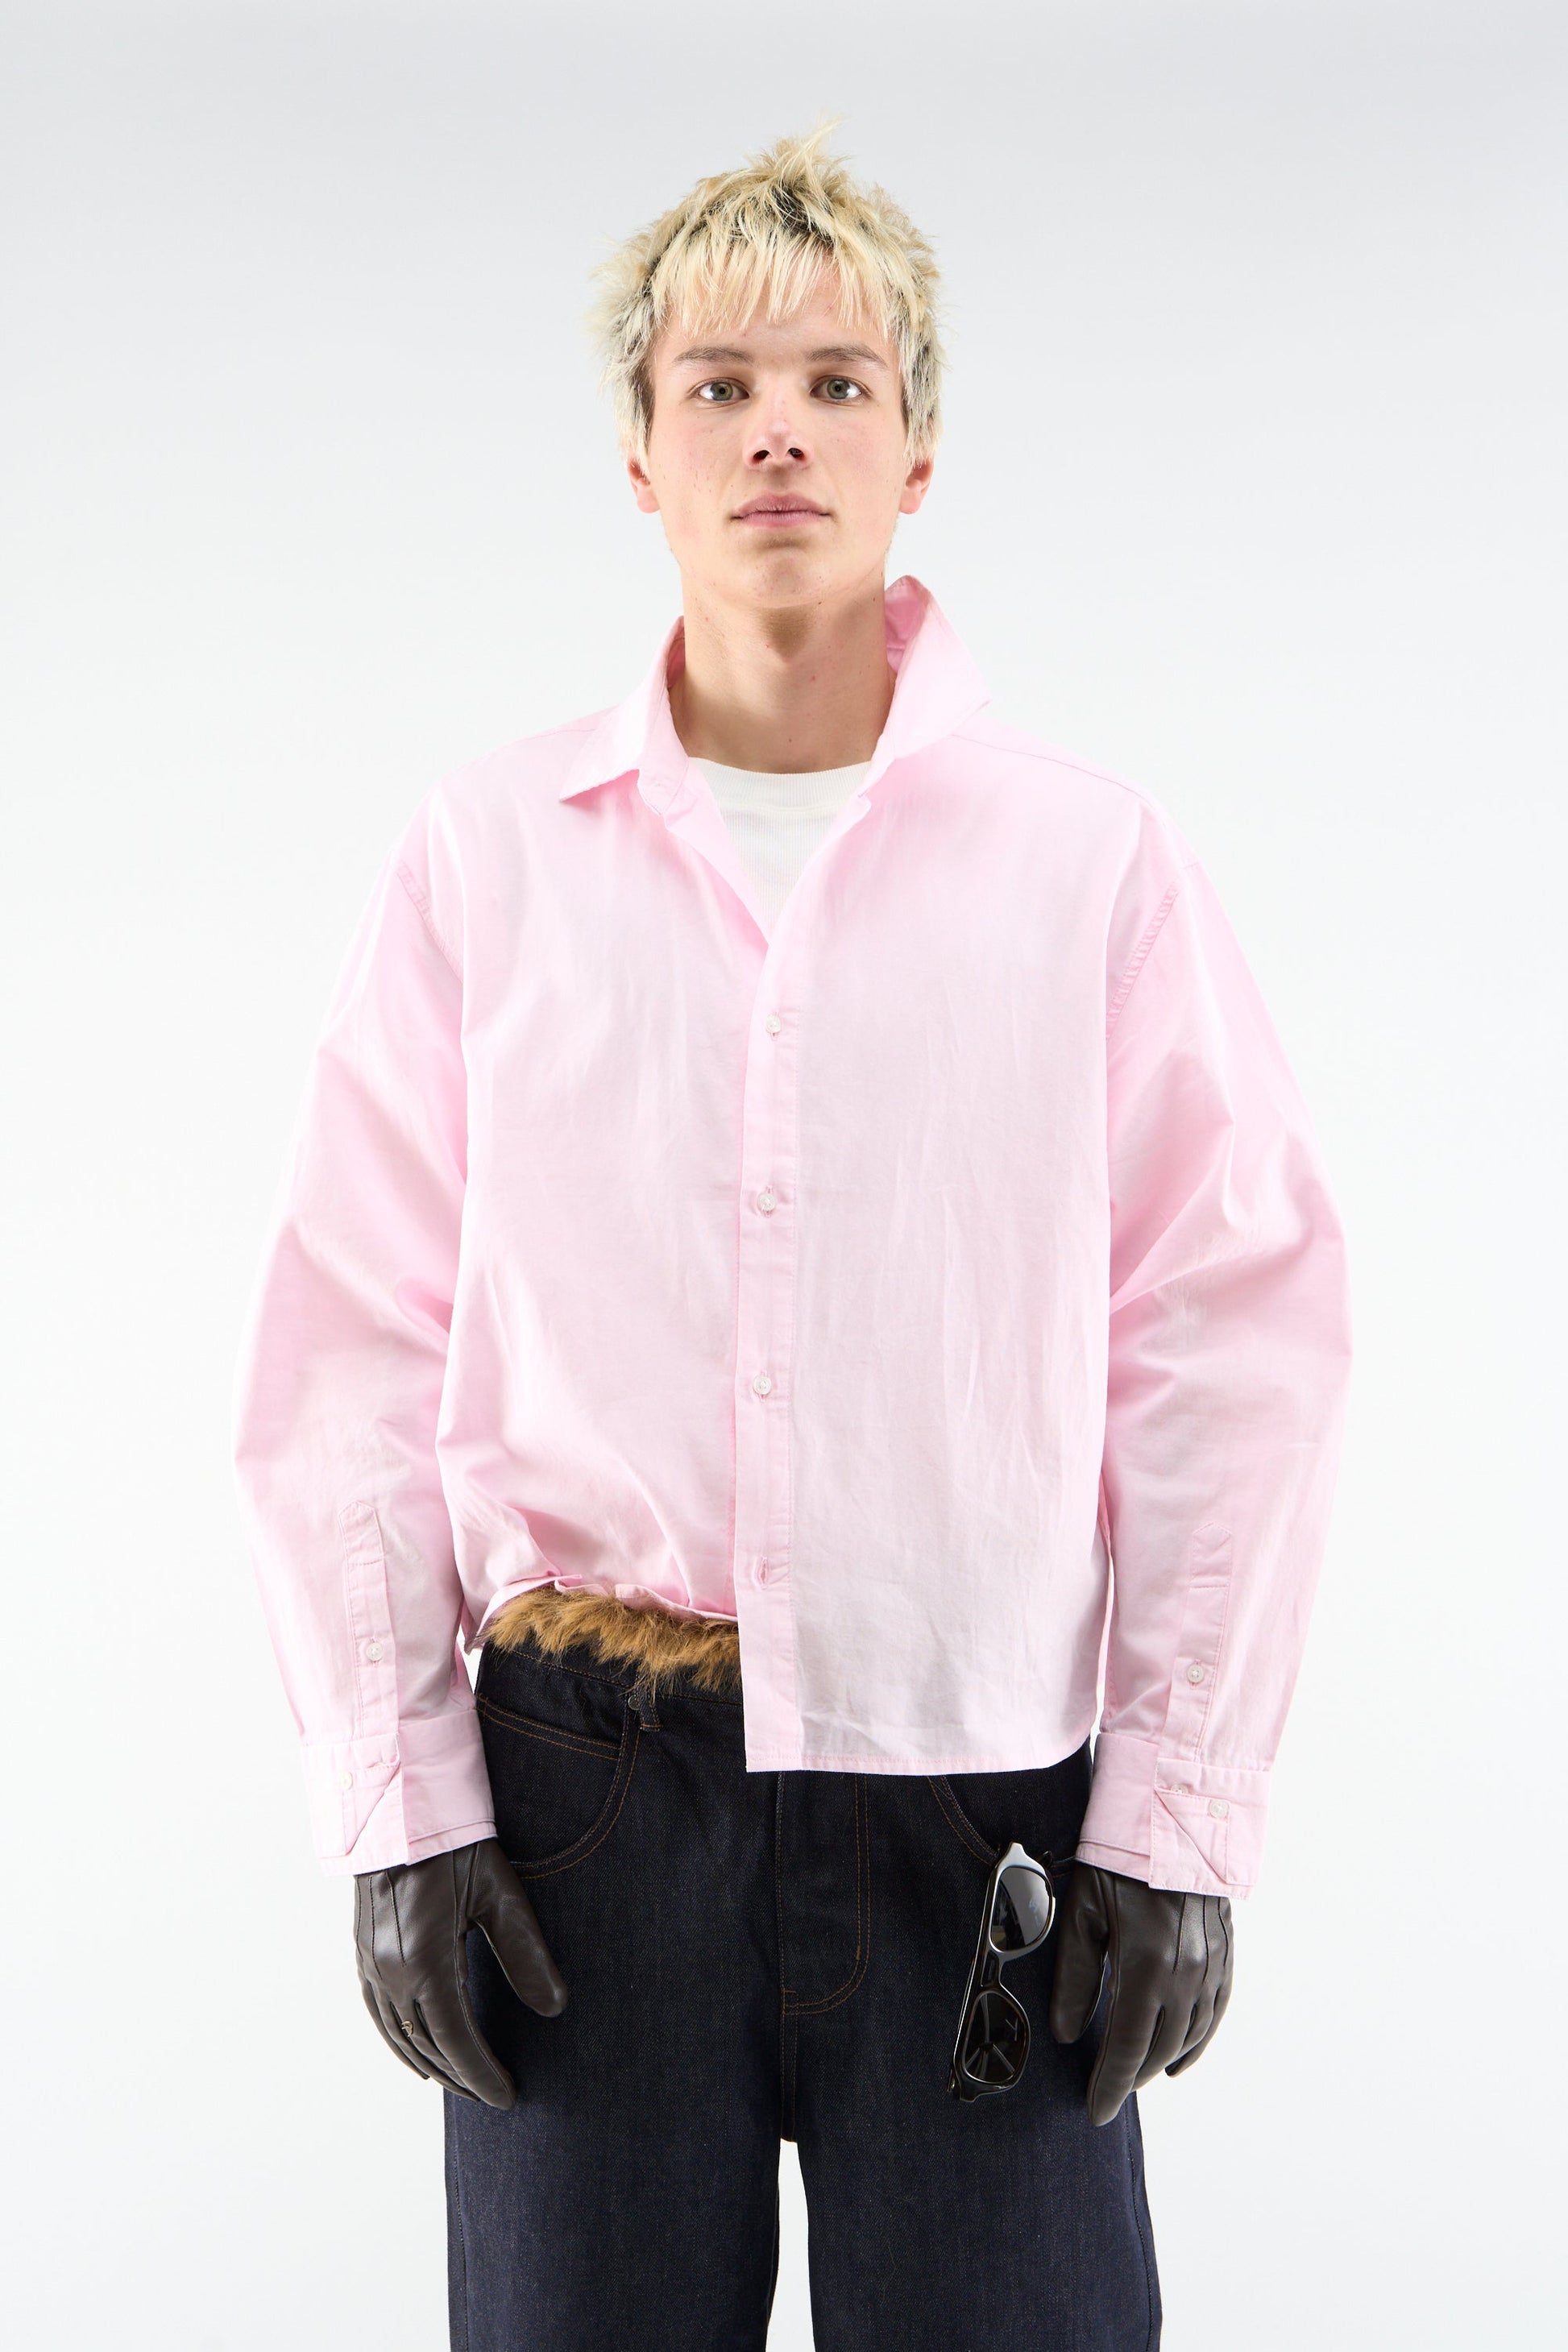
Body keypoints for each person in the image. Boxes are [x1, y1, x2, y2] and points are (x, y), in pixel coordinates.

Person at [233, 122, 1352, 2352]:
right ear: (639, 461)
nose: (778, 431)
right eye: (717, 386)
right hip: (577, 1803)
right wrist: (400, 1801)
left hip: (981, 1794)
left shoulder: (1087, 867)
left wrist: (1175, 1815)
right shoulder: (488, 859)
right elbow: (349, 1338)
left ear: (917, 456)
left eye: (838, 382)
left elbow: (1232, 1342)